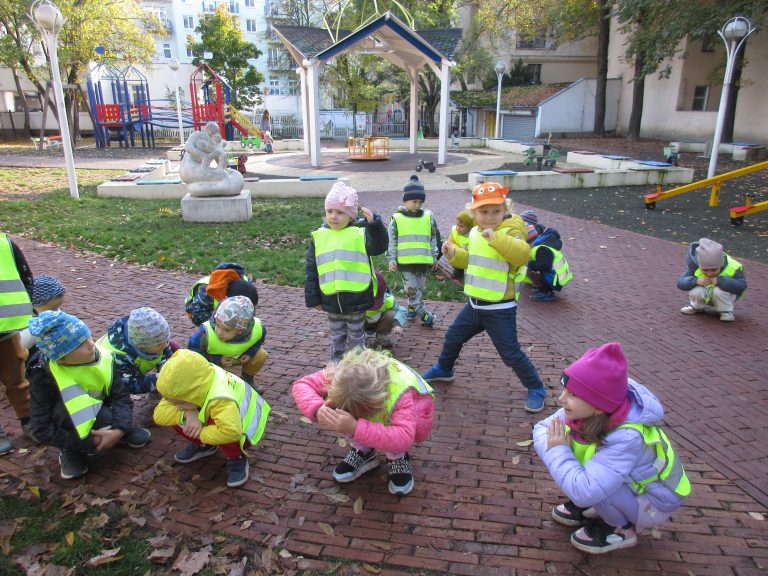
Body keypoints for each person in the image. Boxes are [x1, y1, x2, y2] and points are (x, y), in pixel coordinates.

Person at [533, 342, 690, 554]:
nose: (562, 399)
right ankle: (598, 505)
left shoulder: (627, 438)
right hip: (629, 485)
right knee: (591, 476)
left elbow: (584, 491)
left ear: (598, 406)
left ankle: (620, 529)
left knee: (593, 489)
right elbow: (543, 428)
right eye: (565, 390)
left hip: (652, 503)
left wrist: (559, 449)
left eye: (572, 394)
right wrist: (559, 447)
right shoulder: (599, 407)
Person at [420, 182, 548, 413]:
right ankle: (444, 369)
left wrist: (496, 239)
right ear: (474, 213)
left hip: (500, 308)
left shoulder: (510, 231)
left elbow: (522, 255)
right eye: (484, 212)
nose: (489, 217)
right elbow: (472, 261)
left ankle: (536, 387)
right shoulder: (475, 232)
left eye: (496, 211)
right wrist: (455, 254)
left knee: (510, 354)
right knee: (452, 337)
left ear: (505, 209)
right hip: (474, 305)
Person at [292, 347, 434, 495]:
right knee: (346, 421)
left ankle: (397, 456)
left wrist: (355, 427)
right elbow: (302, 385)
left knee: (391, 434)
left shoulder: (399, 395)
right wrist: (317, 408)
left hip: (414, 410)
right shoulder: (344, 376)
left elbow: (404, 436)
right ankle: (364, 451)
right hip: (371, 404)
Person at [26, 311, 151, 480]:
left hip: (101, 411)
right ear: (61, 359)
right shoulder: (42, 375)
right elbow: (41, 428)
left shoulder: (104, 358)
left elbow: (121, 397)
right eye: (78, 345)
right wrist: (87, 442)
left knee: (112, 416)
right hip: (69, 423)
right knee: (63, 412)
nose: (91, 344)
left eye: (88, 336)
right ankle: (70, 450)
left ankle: (117, 431)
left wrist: (119, 428)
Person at [153, 349, 271, 488]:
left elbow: (231, 431)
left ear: (193, 393)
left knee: (218, 423)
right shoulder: (191, 381)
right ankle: (205, 446)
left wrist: (200, 432)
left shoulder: (220, 398)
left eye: (181, 402)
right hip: (223, 417)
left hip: (245, 429)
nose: (178, 406)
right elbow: (159, 415)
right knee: (174, 415)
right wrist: (187, 414)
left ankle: (236, 456)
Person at [305, 182, 388, 361]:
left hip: (356, 298)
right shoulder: (319, 237)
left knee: (357, 337)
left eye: (340, 212)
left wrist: (374, 225)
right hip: (331, 299)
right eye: (330, 211)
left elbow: (379, 246)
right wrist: (314, 298)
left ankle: (358, 367)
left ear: (351, 216)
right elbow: (312, 269)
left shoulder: (360, 233)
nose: (334, 217)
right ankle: (337, 367)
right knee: (337, 337)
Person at [387, 175, 441, 326]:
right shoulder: (396, 218)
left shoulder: (428, 216)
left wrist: (434, 256)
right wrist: (391, 259)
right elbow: (392, 240)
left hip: (423, 261)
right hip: (405, 262)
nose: (418, 205)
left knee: (420, 288)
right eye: (414, 201)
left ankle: (412, 308)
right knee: (412, 289)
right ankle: (424, 314)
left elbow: (433, 237)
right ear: (405, 200)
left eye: (420, 201)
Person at [0, 233, 35, 454]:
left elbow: (26, 277)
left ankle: (29, 421)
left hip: (6, 328)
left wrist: (29, 309)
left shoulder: (5, 243)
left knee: (17, 378)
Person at [188, 296, 268, 390]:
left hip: (238, 357)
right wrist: (217, 359)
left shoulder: (259, 328)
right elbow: (192, 352)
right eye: (217, 325)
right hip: (211, 361)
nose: (219, 332)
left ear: (240, 330)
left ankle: (247, 380)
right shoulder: (204, 333)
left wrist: (250, 353)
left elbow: (258, 340)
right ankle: (207, 385)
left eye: (227, 330)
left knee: (261, 354)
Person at [96, 307, 174, 395]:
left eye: (166, 340)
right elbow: (130, 384)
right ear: (141, 345)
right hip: (106, 385)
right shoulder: (119, 358)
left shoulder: (154, 343)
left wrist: (167, 368)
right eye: (159, 345)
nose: (165, 345)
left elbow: (166, 353)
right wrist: (159, 379)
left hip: (133, 366)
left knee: (173, 346)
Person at [677, 238, 746, 322]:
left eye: (713, 270)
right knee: (696, 289)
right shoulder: (695, 265)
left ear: (721, 264)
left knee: (718, 291)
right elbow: (680, 282)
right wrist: (696, 281)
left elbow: (741, 286)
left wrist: (721, 281)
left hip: (726, 295)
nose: (709, 273)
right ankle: (696, 306)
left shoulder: (733, 267)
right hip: (705, 293)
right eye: (705, 270)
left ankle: (726, 311)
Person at [184, 262, 258, 326]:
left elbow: (250, 311)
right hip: (197, 309)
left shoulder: (246, 283)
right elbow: (197, 317)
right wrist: (224, 320)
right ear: (227, 298)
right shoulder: (206, 290)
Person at [521, 214, 572, 302]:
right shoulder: (541, 245)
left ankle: (546, 293)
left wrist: (530, 264)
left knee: (542, 272)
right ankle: (543, 289)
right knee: (543, 272)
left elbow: (544, 265)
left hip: (558, 277)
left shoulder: (541, 249)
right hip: (560, 274)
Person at [365, 271, 408, 348]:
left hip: (379, 321)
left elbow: (402, 310)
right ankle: (358, 339)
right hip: (361, 323)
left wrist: (397, 323)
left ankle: (381, 337)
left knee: (392, 314)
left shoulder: (389, 299)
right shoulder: (355, 300)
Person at [447, 209, 473, 279]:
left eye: (461, 226)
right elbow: (451, 242)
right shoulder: (454, 231)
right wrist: (456, 249)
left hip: (468, 257)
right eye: (457, 225)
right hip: (457, 253)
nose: (458, 228)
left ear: (469, 227)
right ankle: (458, 271)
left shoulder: (473, 235)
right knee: (455, 259)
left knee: (469, 269)